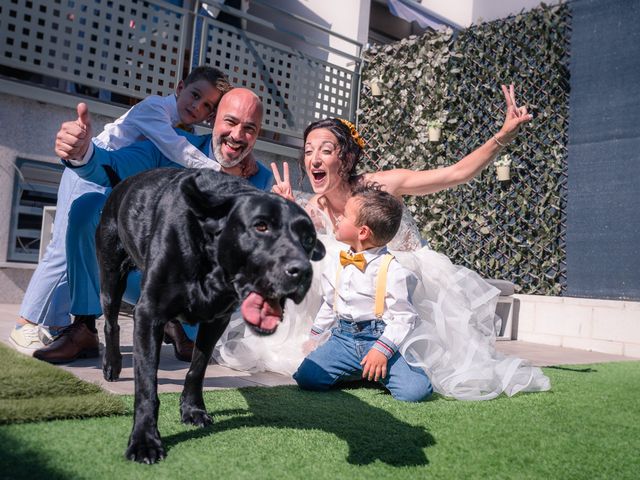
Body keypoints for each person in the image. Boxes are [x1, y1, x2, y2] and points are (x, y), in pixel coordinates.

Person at [213, 84, 552, 400]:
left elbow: (455, 174)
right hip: (347, 310)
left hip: (406, 290)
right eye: (308, 151)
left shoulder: (378, 187)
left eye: (325, 150)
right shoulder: (309, 208)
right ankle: (348, 358)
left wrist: (503, 136)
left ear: (345, 159)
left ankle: (388, 359)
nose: (314, 158)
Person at [9, 66, 240, 357]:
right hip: (90, 172)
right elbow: (175, 149)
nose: (198, 106)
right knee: (62, 247)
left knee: (84, 250)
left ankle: (54, 323)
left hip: (109, 184)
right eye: (195, 95)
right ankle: (25, 323)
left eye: (208, 105)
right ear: (180, 88)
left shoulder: (181, 126)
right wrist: (219, 170)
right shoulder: (154, 108)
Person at [294, 185, 433, 402]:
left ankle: (376, 365)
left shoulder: (393, 270)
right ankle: (360, 370)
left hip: (378, 337)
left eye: (345, 216)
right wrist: (315, 337)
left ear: (363, 232)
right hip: (343, 338)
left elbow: (404, 318)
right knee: (307, 378)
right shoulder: (336, 262)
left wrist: (382, 350)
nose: (338, 219)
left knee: (415, 392)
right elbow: (331, 305)